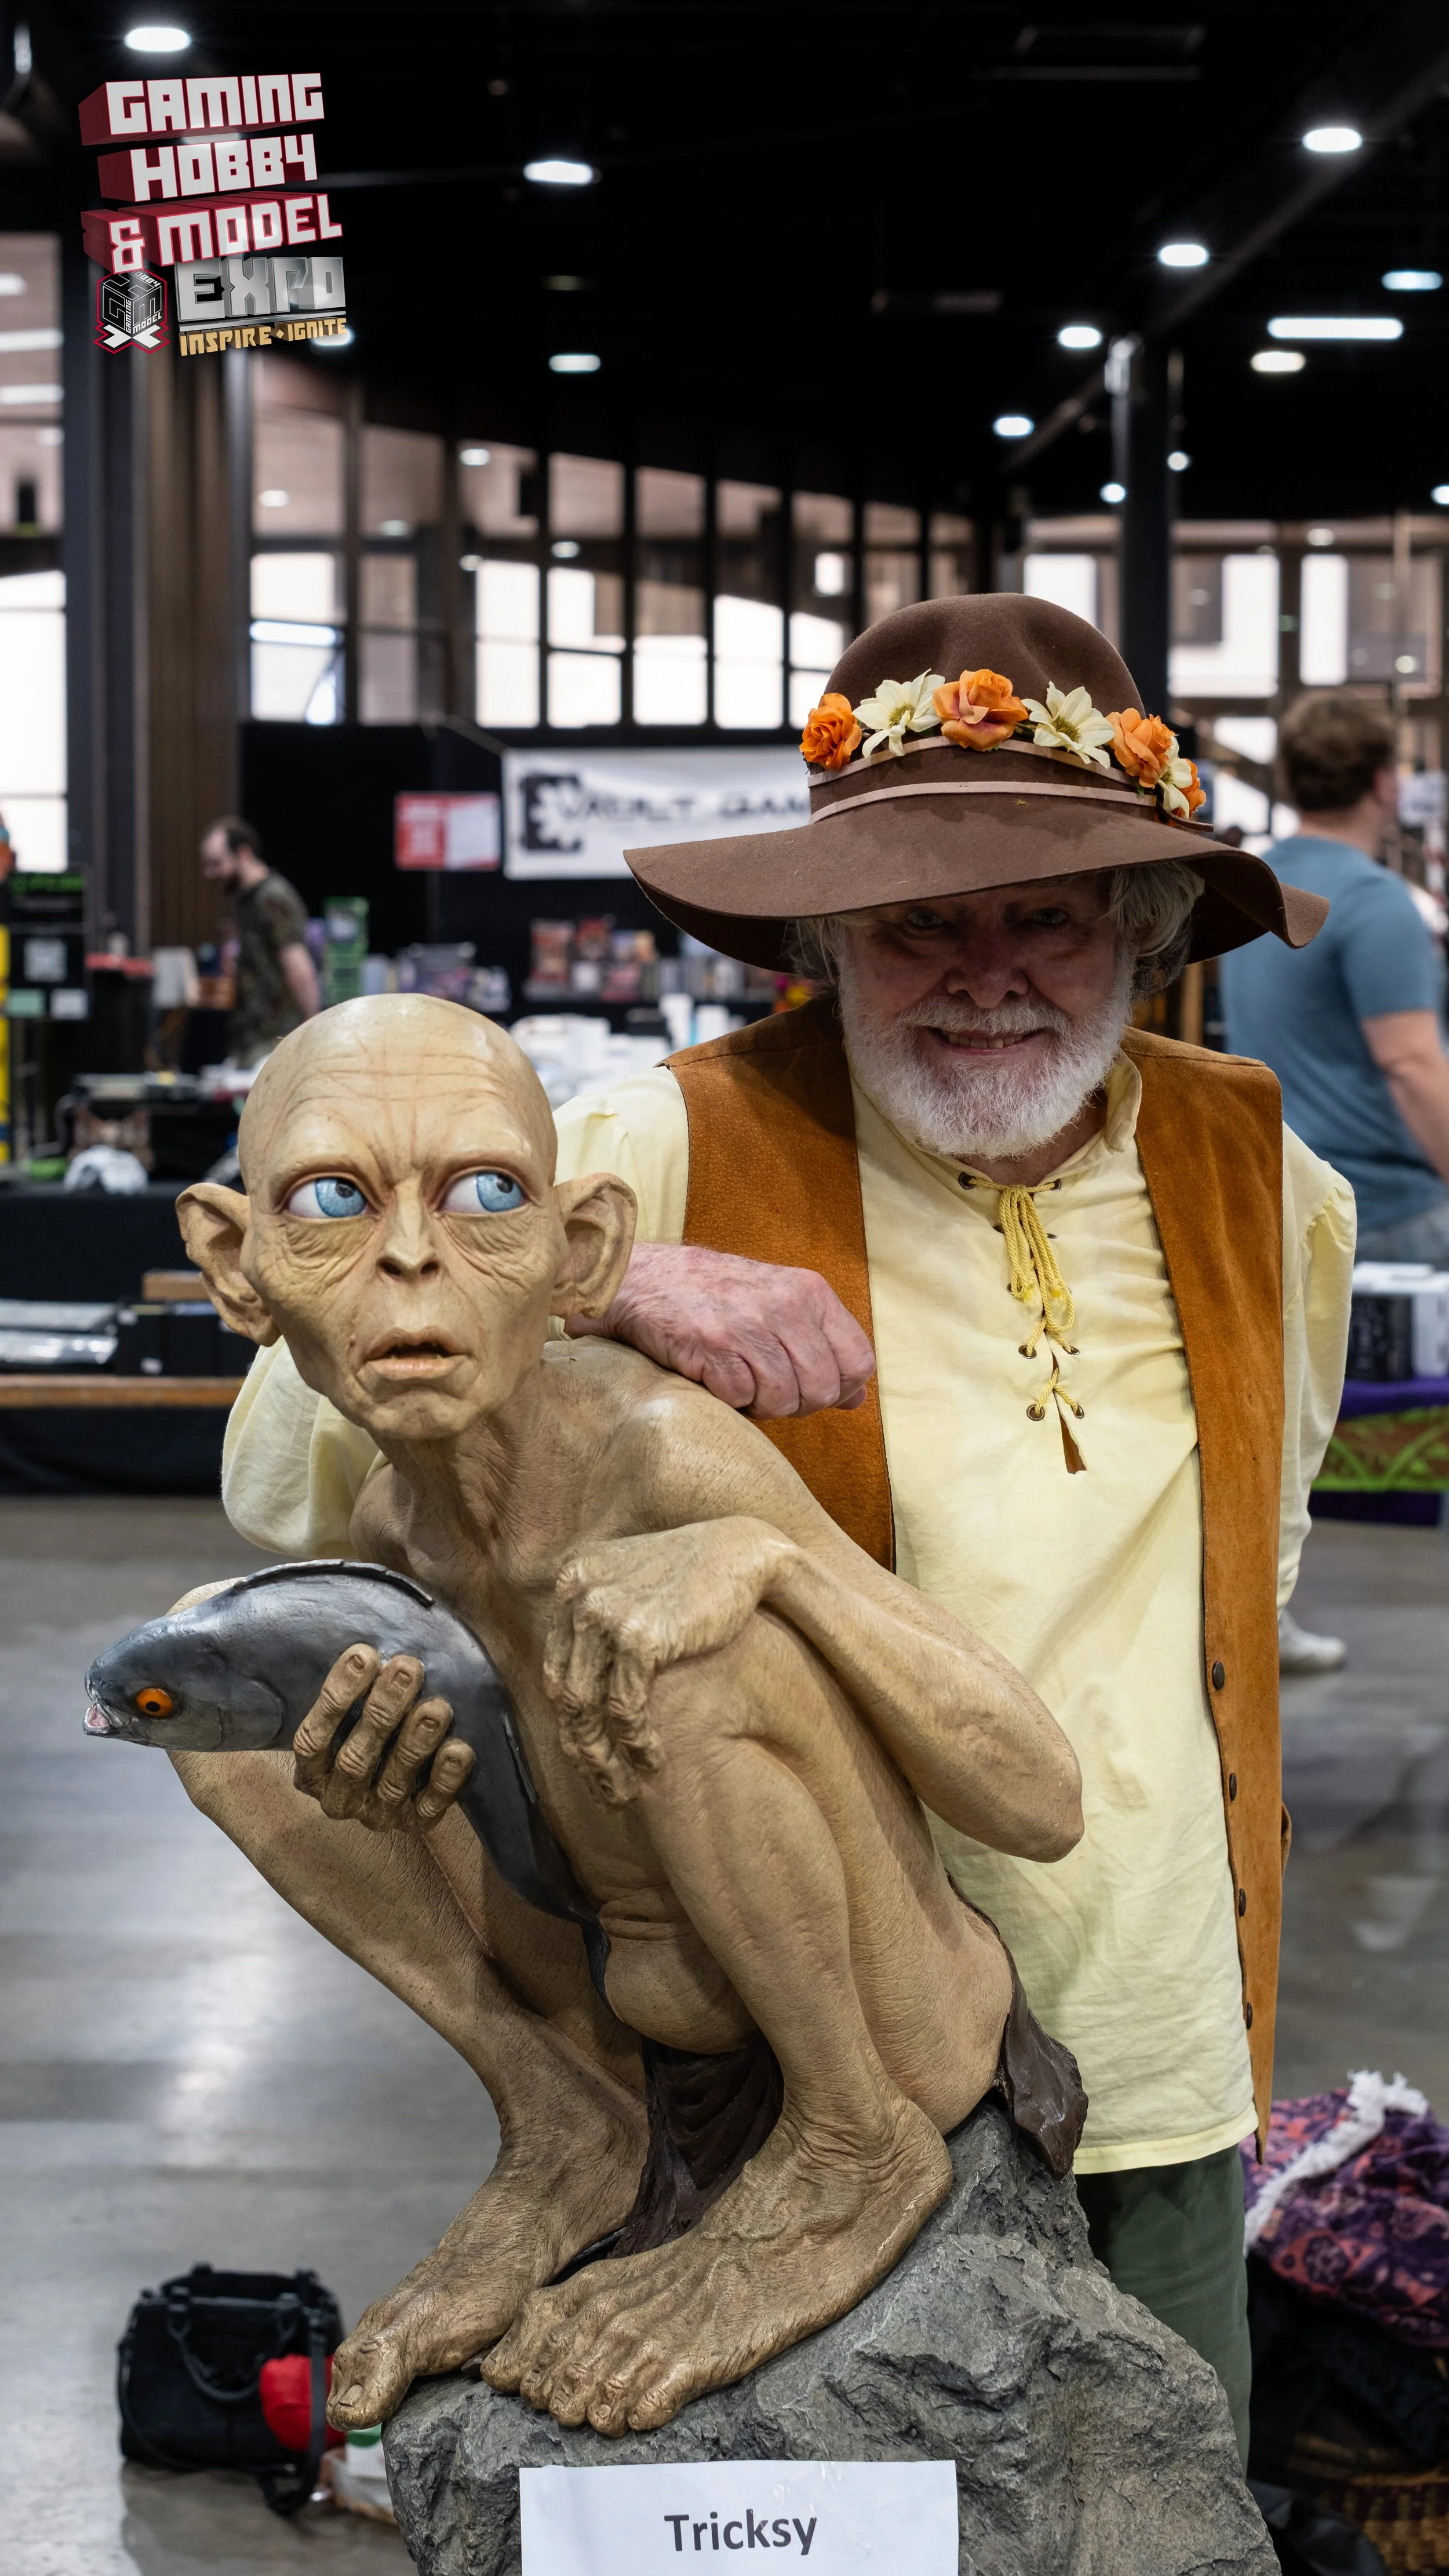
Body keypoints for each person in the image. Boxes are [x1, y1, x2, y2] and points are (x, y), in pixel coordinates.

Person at [219, 595, 1355, 2459]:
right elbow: (288, 1458)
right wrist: (602, 1284)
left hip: (1158, 2028)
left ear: (1139, 934)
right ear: (826, 936)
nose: (983, 969)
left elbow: (1265, 1549)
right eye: (918, 916)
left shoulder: (1258, 1170)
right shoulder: (655, 1139)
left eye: (1044, 911)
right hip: (769, 2035)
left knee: (1153, 2484)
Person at [172, 994, 1084, 2432]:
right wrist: (400, 1800)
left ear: (577, 1249)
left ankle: (853, 2147)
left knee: (669, 1637)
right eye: (334, 1200)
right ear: (239, 1264)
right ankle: (563, 2119)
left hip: (879, 2031)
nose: (413, 1256)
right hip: (645, 2041)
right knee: (246, 1707)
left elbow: (1040, 1796)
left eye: (484, 1197)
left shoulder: (656, 1452)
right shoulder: (395, 1531)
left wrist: (772, 1561)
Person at [1221, 697, 1449, 1266]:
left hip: (1280, 1202)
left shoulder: (1257, 888)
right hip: (1385, 1215)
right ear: (1383, 784)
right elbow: (1411, 1066)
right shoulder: (1375, 902)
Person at [199, 814, 321, 1065]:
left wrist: (314, 1030)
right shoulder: (245, 901)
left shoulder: (272, 897)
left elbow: (298, 967)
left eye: (216, 863)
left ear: (243, 853)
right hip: (251, 1038)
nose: (210, 874)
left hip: (275, 1039)